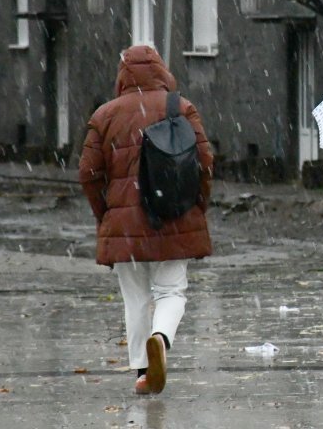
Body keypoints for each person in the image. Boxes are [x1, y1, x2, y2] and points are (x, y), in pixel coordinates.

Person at [78, 45, 213, 395]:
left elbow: (88, 172)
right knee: (171, 291)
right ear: (161, 71)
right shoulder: (180, 107)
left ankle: (142, 369)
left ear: (122, 76)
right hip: (173, 214)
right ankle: (161, 339)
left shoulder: (104, 115)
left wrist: (105, 213)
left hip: (124, 225)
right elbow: (205, 161)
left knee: (135, 298)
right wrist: (197, 204)